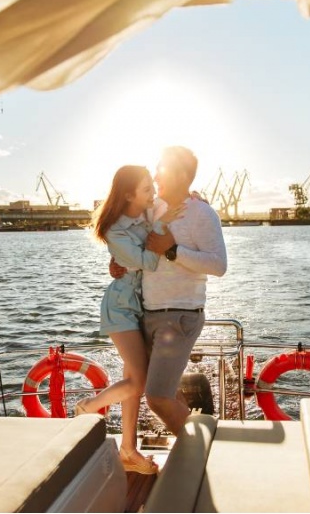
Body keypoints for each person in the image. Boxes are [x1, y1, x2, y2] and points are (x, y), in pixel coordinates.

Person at [76, 165, 183, 474]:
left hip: (142, 307)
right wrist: (162, 227)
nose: (153, 192)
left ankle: (128, 449)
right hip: (121, 307)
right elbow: (150, 262)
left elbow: (169, 207)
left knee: (135, 383)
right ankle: (87, 407)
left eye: (152, 186)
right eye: (147, 188)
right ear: (128, 194)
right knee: (139, 381)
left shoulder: (145, 215)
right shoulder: (116, 230)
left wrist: (192, 198)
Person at [114, 146, 227, 435]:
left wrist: (173, 250)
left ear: (180, 175)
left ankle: (198, 456)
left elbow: (219, 265)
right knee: (169, 393)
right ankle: (192, 449)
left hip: (179, 317)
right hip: (148, 313)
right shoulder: (152, 210)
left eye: (161, 168)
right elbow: (134, 243)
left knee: (158, 397)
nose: (155, 175)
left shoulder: (202, 213)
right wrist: (118, 264)